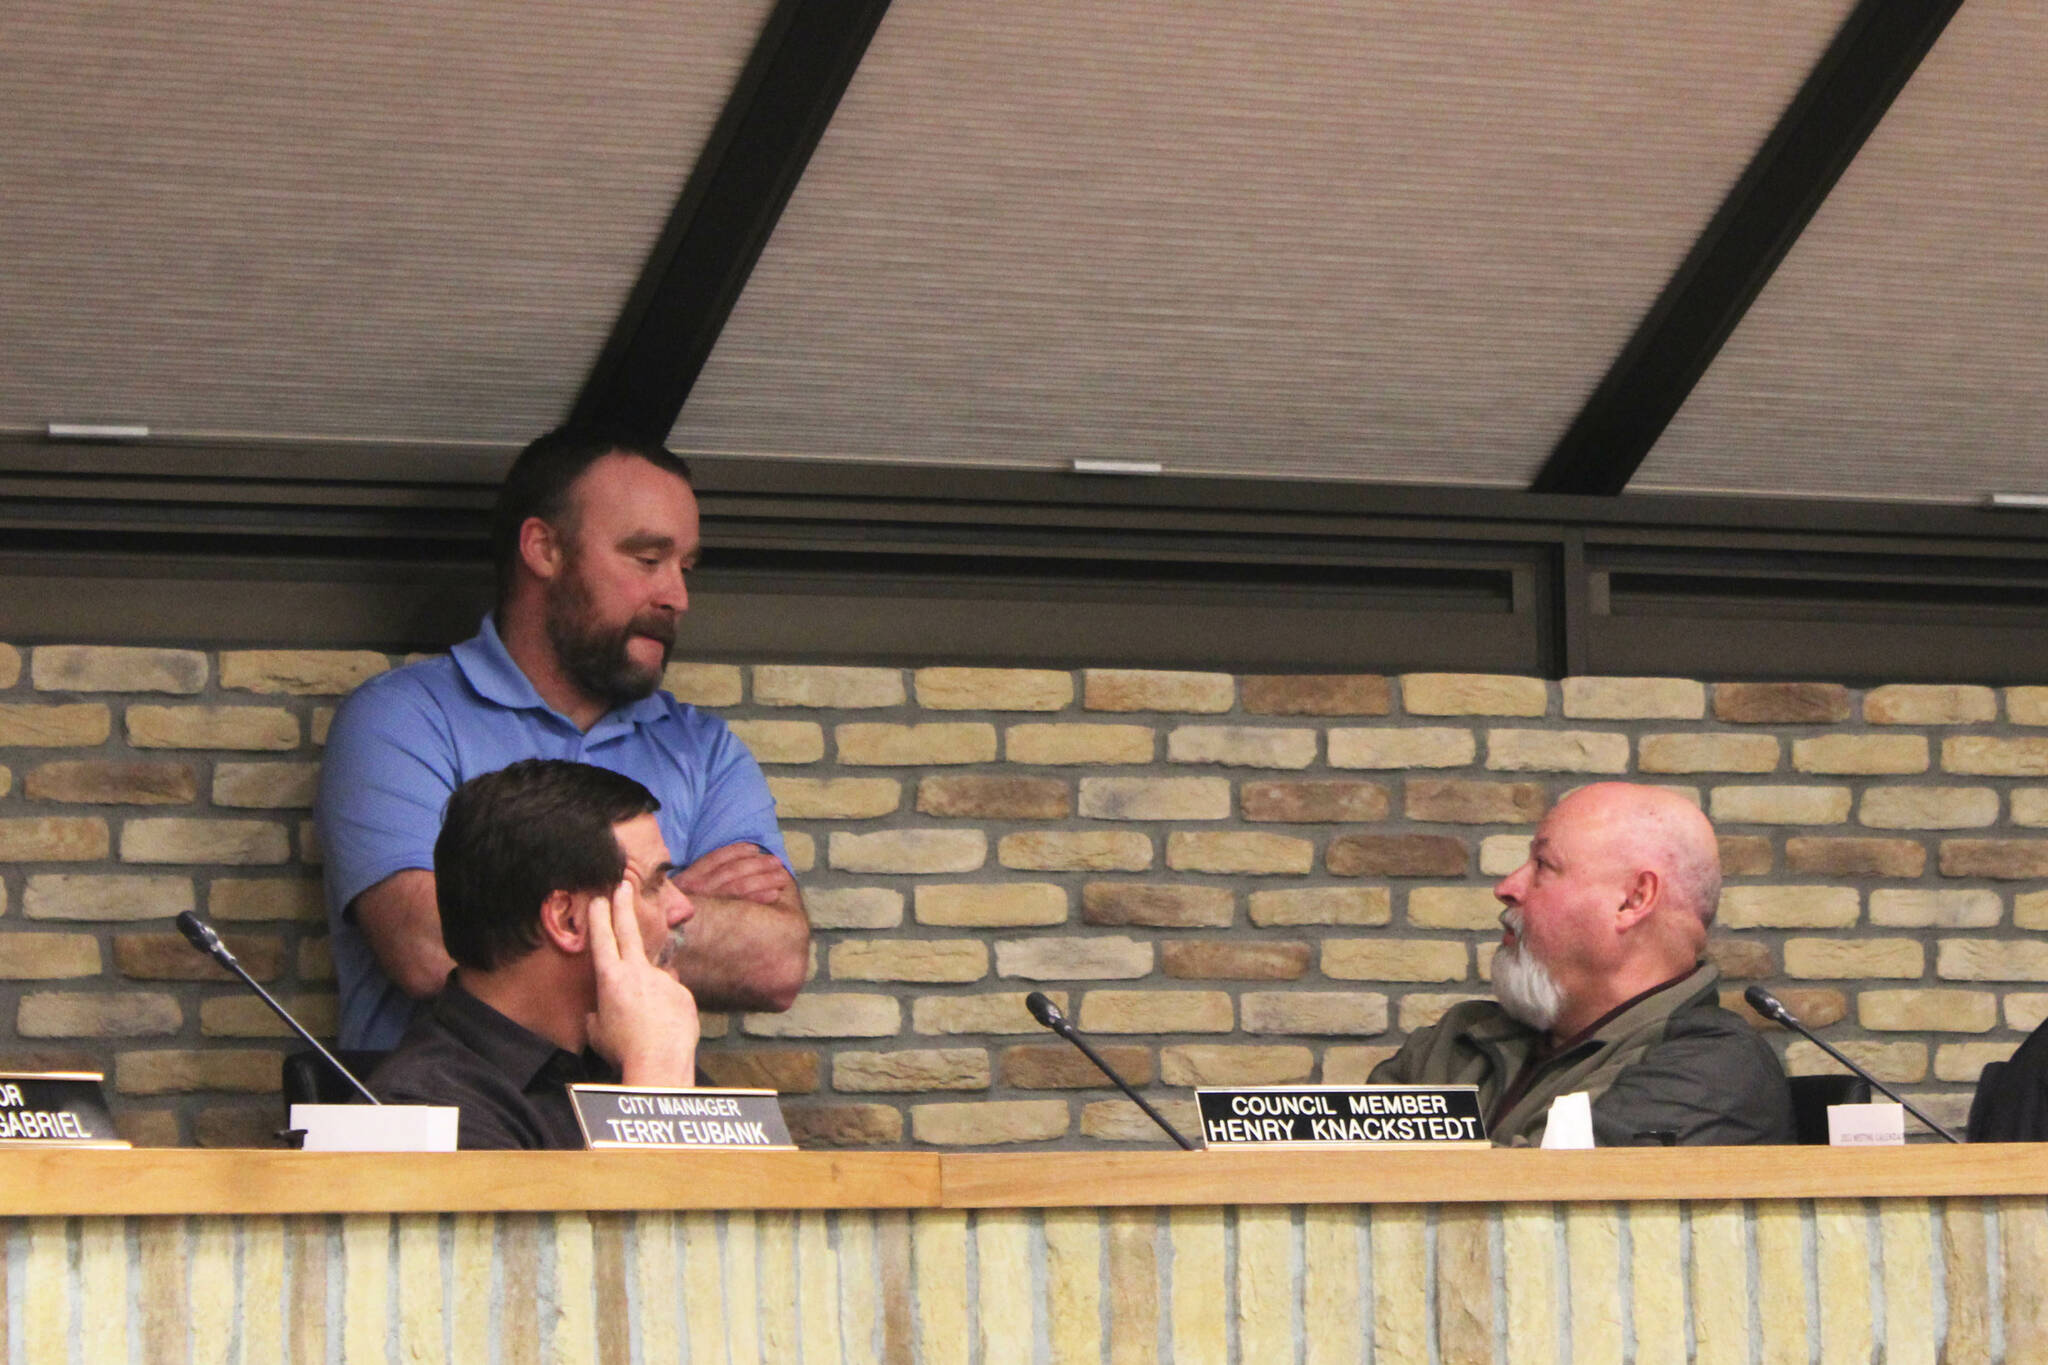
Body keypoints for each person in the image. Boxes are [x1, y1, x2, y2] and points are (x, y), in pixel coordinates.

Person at [318, 425, 808, 1051]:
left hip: (637, 1121)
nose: (677, 595)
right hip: (447, 1129)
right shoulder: (404, 718)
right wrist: (665, 904)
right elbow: (428, 944)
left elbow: (776, 963)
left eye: (685, 567)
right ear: (544, 549)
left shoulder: (703, 749)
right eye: (648, 559)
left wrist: (551, 914)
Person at [1371, 782, 1795, 1146]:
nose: (1506, 887)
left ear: (1632, 900)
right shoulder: (1456, 1043)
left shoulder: (1713, 1072)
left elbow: (1543, 1213)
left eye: (1543, 865)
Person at [368, 760, 700, 1149]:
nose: (683, 907)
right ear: (568, 920)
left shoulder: (626, 1052)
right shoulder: (424, 1114)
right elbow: (652, 1212)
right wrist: (657, 1077)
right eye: (654, 884)